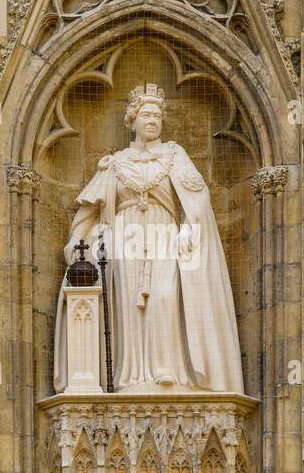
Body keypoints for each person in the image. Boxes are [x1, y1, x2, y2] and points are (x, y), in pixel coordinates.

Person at [53, 83, 244, 395]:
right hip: (123, 239)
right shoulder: (114, 163)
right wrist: (77, 242)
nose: (152, 120)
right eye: (146, 114)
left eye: (157, 115)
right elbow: (89, 210)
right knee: (130, 304)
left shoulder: (174, 155)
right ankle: (132, 375)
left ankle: (167, 368)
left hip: (164, 234)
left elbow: (197, 197)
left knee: (164, 298)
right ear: (133, 120)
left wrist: (189, 227)